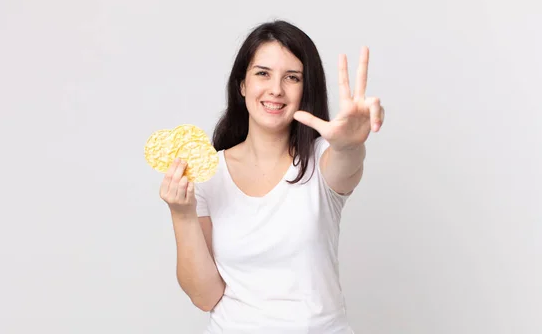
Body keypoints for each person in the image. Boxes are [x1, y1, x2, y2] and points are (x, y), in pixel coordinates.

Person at [159, 20, 385, 333]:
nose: (276, 89)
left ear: (306, 89)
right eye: (262, 73)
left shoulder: (322, 159)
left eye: (292, 77)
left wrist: (349, 144)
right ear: (242, 84)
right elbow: (205, 296)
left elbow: (347, 161)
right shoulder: (208, 173)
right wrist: (182, 215)